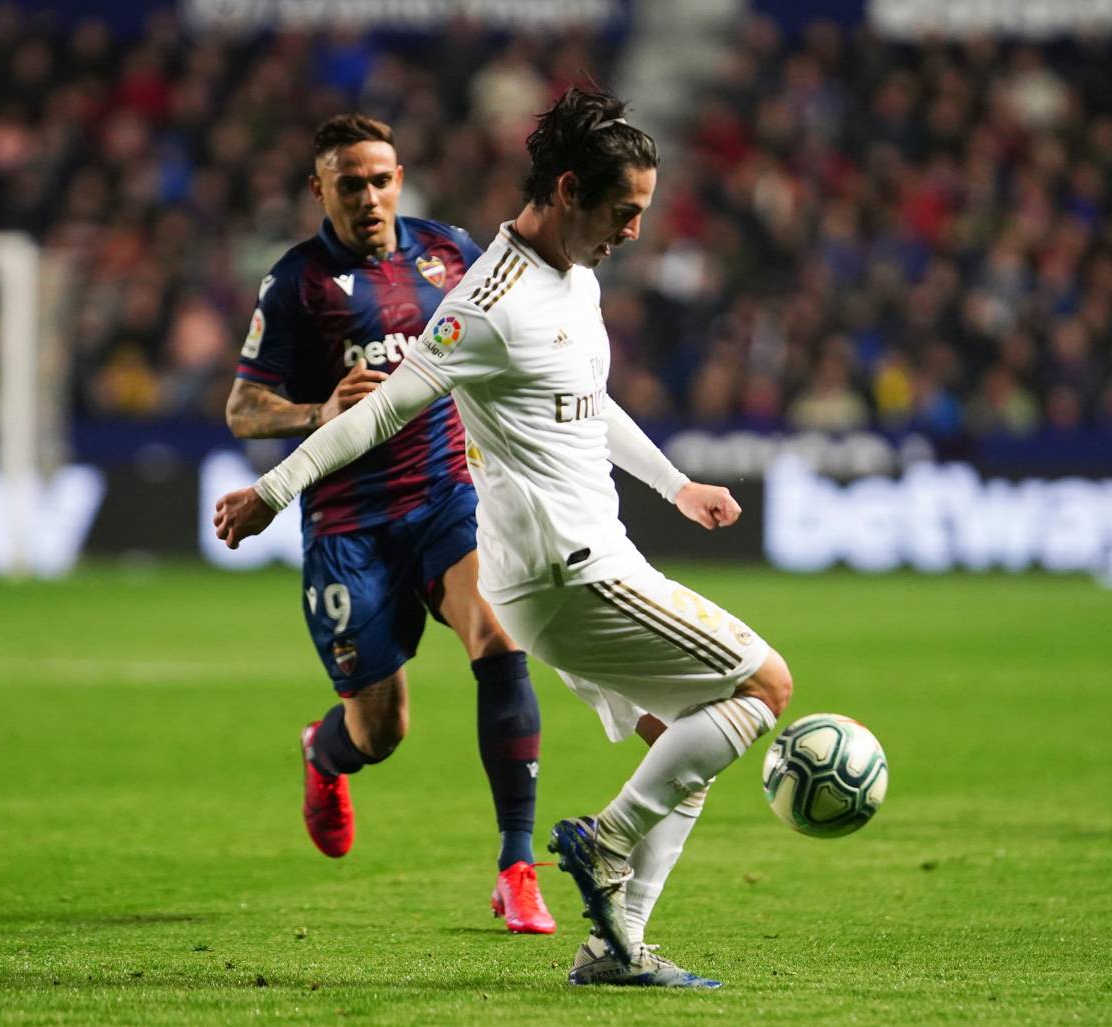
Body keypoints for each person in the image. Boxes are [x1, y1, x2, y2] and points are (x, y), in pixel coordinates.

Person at [214, 86, 794, 988]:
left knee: (688, 740)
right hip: (570, 570)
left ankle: (615, 947)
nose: (635, 230)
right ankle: (604, 839)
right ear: (568, 191)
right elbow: (382, 411)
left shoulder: (575, 273)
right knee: (764, 684)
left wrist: (675, 484)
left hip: (574, 562)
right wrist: (272, 489)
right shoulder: (486, 301)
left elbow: (586, 398)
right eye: (624, 210)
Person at [224, 112, 554, 932]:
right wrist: (315, 411)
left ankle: (517, 866)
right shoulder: (296, 282)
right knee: (380, 730)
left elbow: (512, 340)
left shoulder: (451, 253)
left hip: (446, 494)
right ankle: (323, 751)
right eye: (350, 184)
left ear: (400, 179)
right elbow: (243, 408)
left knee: (499, 635)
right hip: (350, 525)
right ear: (319, 190)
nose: (368, 197)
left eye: (380, 180)